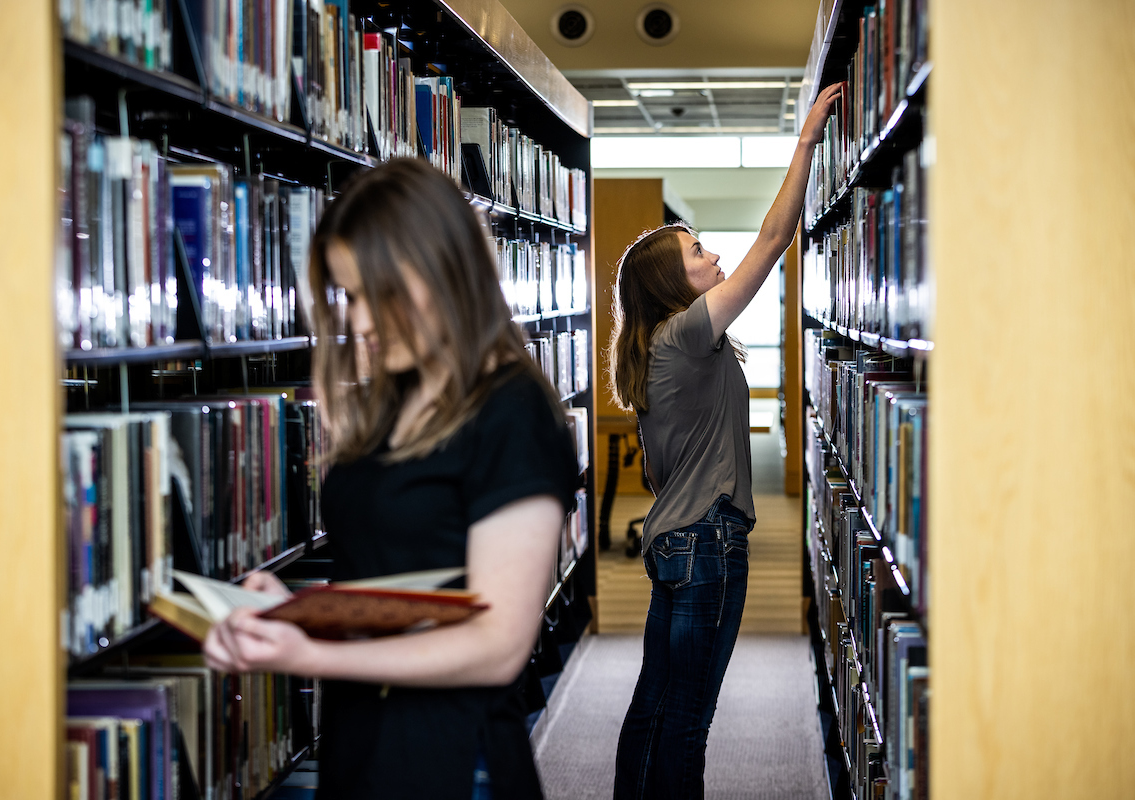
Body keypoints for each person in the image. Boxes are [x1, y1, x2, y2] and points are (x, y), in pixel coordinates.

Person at [203, 158, 580, 800]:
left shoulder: (512, 412)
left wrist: (309, 657)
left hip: (454, 763)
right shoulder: (391, 401)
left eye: (379, 295)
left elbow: (497, 646)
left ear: (443, 272)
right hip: (364, 746)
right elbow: (393, 574)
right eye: (349, 297)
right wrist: (298, 614)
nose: (360, 324)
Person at [609, 83, 842, 799]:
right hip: (706, 544)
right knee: (687, 721)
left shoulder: (660, 347)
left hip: (677, 540)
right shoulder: (684, 334)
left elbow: (658, 470)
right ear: (672, 286)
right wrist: (804, 144)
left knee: (655, 707)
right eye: (697, 252)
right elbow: (772, 243)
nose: (712, 256)